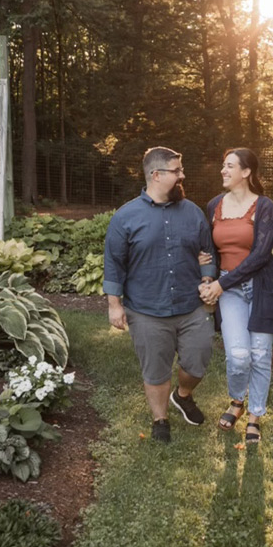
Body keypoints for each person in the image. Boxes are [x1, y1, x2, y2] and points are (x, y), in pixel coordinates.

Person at [103, 147, 218, 444]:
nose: (182, 175)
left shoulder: (192, 212)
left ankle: (183, 395)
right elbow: (114, 264)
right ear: (156, 175)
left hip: (192, 306)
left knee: (197, 361)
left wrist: (207, 278)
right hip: (146, 309)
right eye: (177, 170)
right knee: (156, 369)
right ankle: (160, 419)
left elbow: (207, 253)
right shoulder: (126, 217)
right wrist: (114, 305)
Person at [199, 148, 273, 444]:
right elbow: (209, 251)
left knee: (260, 355)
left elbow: (261, 254)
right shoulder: (214, 205)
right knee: (239, 356)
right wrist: (209, 280)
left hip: (263, 286)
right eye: (223, 166)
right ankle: (237, 401)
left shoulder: (264, 206)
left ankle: (254, 416)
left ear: (246, 172)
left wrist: (221, 286)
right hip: (229, 289)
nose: (223, 171)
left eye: (229, 166)